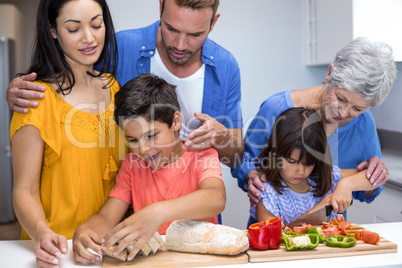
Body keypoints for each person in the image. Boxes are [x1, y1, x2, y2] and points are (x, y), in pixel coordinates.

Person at [6, 0, 244, 167]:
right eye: (171, 29)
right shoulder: (119, 47)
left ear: (213, 23)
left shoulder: (226, 66)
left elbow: (234, 159)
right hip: (129, 204)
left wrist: (222, 137)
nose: (180, 45)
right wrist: (21, 85)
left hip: (197, 213)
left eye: (195, 35)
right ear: (160, 6)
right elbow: (69, 80)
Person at [231, 37, 397, 226]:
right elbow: (243, 160)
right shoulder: (276, 108)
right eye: (340, 98)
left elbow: (368, 187)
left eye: (357, 109)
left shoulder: (363, 123)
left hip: (327, 236)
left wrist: (373, 174)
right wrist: (250, 174)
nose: (343, 113)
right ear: (329, 74)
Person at [10, 0, 123, 267]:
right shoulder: (36, 98)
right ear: (52, 30)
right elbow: (24, 190)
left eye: (97, 24)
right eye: (73, 29)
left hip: (109, 249)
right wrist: (41, 233)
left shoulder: (113, 87)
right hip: (60, 251)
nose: (89, 38)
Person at [72, 73, 226, 264]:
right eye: (133, 140)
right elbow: (106, 217)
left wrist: (157, 212)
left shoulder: (202, 156)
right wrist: (85, 231)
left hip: (199, 263)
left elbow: (216, 198)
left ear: (176, 121)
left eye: (151, 136)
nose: (143, 149)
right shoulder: (132, 164)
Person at [253, 108, 377, 224]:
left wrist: (347, 185)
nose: (301, 171)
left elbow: (372, 178)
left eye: (309, 163)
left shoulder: (327, 177)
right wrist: (319, 211)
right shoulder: (267, 194)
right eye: (292, 161)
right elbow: (276, 237)